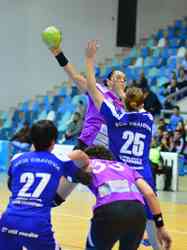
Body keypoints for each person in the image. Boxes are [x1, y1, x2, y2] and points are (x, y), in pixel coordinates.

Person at [85, 40, 161, 249]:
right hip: (143, 175)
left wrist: (90, 59)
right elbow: (133, 106)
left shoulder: (115, 115)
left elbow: (93, 88)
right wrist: (122, 92)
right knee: (150, 219)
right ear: (141, 103)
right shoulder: (148, 118)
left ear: (125, 101)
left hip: (122, 175)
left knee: (111, 214)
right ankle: (156, 245)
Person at [58, 145, 172, 250]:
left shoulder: (89, 163)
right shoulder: (126, 167)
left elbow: (78, 154)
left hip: (110, 210)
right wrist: (160, 226)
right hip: (138, 212)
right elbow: (149, 194)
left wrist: (56, 162)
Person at [0, 120, 89, 250]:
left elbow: (11, 184)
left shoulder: (17, 158)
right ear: (53, 141)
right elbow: (82, 156)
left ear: (31, 139)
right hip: (36, 224)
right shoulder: (60, 159)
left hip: (8, 221)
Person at [43, 31, 126, 150]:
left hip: (108, 150)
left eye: (124, 79)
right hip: (87, 144)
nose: (121, 81)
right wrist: (57, 52)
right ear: (108, 82)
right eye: (118, 78)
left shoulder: (125, 104)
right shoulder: (97, 90)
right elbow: (75, 76)